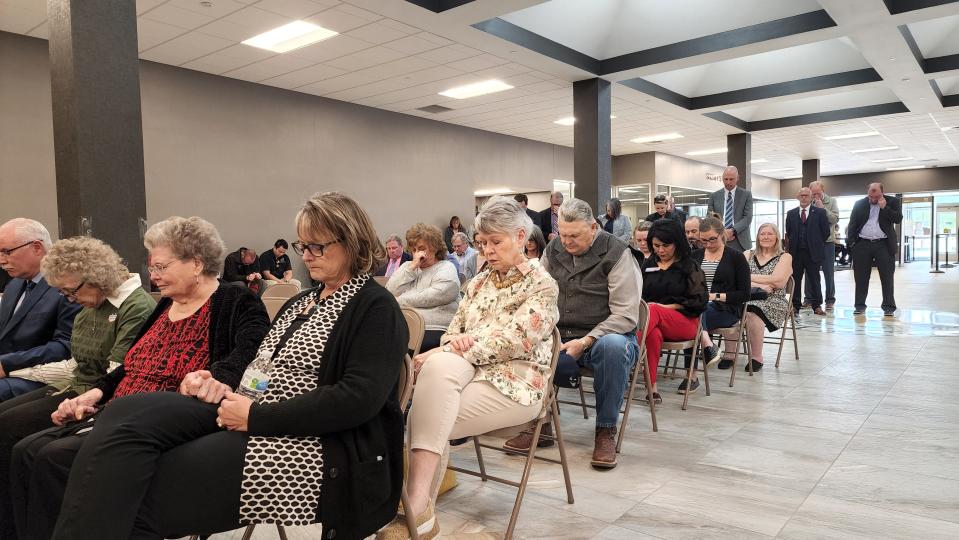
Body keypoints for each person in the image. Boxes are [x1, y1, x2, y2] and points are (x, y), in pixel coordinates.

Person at [44, 194, 408, 540]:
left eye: (318, 246)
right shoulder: (303, 301)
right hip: (246, 409)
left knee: (135, 494)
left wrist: (256, 416)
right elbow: (262, 366)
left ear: (353, 241)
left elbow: (358, 399)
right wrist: (218, 381)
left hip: (312, 442)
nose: (307, 256)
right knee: (126, 410)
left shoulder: (374, 306)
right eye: (303, 246)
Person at [9, 216, 271, 540]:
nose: (154, 275)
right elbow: (129, 366)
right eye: (152, 268)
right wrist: (93, 393)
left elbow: (250, 353)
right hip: (118, 409)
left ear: (196, 263)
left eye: (161, 266)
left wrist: (215, 377)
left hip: (163, 417)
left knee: (52, 458)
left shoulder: (235, 299)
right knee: (26, 450)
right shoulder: (165, 306)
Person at [377, 197, 557, 539]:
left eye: (495, 242)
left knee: (427, 410)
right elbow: (452, 332)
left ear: (521, 237)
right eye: (482, 243)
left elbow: (517, 340)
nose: (487, 250)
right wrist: (451, 346)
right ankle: (419, 506)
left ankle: (415, 506)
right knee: (439, 371)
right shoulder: (477, 283)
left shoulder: (542, 284)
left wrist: (462, 346)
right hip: (468, 372)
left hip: (516, 381)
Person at [0, 236, 156, 540]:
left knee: (13, 434)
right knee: (4, 418)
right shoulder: (90, 305)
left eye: (72, 291)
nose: (70, 299)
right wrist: (17, 369)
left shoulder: (136, 307)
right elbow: (74, 366)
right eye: (63, 292)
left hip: (98, 396)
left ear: (96, 277)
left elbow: (116, 375)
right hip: (76, 386)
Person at [506, 198, 639, 469]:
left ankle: (605, 429)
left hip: (603, 336)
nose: (566, 241)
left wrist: (587, 340)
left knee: (613, 347)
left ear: (593, 227)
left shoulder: (617, 253)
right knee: (526, 339)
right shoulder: (554, 249)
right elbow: (536, 294)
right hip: (559, 333)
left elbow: (625, 315)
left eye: (574, 236)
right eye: (563, 234)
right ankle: (540, 423)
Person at [0, 218, 81, 401]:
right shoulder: (14, 285)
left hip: (39, 375)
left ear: (36, 247)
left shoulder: (67, 286)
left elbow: (66, 347)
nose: (1, 261)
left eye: (6, 252)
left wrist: (7, 363)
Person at [639, 219, 708, 402]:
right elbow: (639, 296)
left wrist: (666, 307)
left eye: (665, 246)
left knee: (652, 310)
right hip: (652, 321)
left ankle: (627, 350)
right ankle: (652, 389)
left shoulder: (689, 266)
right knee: (652, 335)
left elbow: (699, 302)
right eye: (655, 246)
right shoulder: (648, 265)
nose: (660, 250)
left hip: (685, 322)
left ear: (677, 243)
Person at [685, 218, 750, 391]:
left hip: (725, 309)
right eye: (703, 240)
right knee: (693, 314)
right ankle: (708, 346)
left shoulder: (736, 257)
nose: (707, 244)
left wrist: (714, 296)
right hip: (699, 307)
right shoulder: (695, 256)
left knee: (692, 316)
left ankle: (692, 375)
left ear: (722, 235)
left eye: (712, 239)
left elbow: (745, 293)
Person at [727, 223, 792, 371]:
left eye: (770, 233)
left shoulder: (784, 257)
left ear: (777, 237)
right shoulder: (747, 254)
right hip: (745, 295)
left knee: (752, 309)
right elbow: (735, 278)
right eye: (762, 234)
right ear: (757, 237)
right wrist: (762, 285)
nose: (766, 237)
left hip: (773, 300)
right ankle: (729, 353)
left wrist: (748, 278)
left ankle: (756, 357)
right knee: (728, 305)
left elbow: (779, 282)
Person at [387, 223, 460, 351]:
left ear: (435, 247)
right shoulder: (408, 267)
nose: (417, 254)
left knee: (393, 345)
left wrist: (398, 301)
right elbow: (390, 291)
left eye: (421, 249)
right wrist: (411, 268)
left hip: (434, 327)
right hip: (404, 325)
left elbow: (436, 295)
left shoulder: (446, 267)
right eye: (414, 250)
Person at [847, 183, 902, 316]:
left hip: (883, 244)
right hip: (862, 244)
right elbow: (852, 224)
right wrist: (852, 243)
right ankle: (860, 306)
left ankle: (888, 307)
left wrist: (885, 208)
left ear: (882, 193)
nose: (873, 199)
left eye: (876, 196)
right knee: (861, 277)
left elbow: (898, 219)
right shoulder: (859, 204)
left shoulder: (892, 201)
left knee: (887, 277)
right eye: (871, 196)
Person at [785, 187, 830, 316]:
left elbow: (825, 232)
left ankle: (817, 306)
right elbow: (789, 232)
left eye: (806, 195)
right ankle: (795, 306)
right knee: (796, 280)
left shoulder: (820, 213)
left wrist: (816, 243)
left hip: (813, 253)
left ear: (811, 198)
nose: (804, 198)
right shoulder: (791, 213)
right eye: (802, 195)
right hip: (796, 253)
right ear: (798, 197)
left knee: (815, 279)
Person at [804, 181, 839, 310]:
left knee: (828, 272)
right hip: (811, 243)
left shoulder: (831, 201)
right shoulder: (808, 202)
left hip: (827, 243)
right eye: (813, 194)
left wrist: (822, 209)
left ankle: (830, 300)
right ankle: (809, 299)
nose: (816, 196)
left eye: (818, 193)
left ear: (823, 190)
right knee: (810, 272)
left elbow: (835, 219)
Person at [707, 166, 754, 252]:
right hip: (719, 238)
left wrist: (732, 231)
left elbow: (747, 218)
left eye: (731, 179)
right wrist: (722, 232)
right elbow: (710, 218)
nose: (728, 182)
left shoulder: (746, 195)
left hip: (740, 240)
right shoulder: (714, 196)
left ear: (737, 178)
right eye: (726, 179)